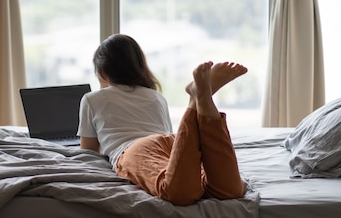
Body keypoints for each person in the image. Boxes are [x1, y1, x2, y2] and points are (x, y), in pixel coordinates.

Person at [78, 34, 247, 206]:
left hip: (134, 149)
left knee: (179, 192)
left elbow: (89, 151)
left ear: (103, 71)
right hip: (171, 142)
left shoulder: (92, 99)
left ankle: (194, 100)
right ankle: (202, 99)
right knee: (228, 190)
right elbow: (176, 138)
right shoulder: (155, 97)